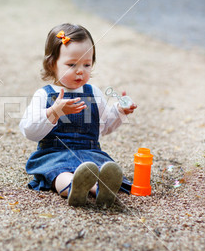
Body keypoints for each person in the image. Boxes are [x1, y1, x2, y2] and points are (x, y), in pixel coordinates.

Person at [19, 23, 137, 207]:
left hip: (89, 153)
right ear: (52, 64)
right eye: (71, 64)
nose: (80, 70)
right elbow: (29, 130)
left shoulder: (93, 93)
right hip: (54, 153)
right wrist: (54, 111)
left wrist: (120, 112)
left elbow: (103, 126)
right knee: (59, 173)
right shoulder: (44, 94)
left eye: (87, 64)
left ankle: (100, 189)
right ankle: (74, 188)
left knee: (96, 169)